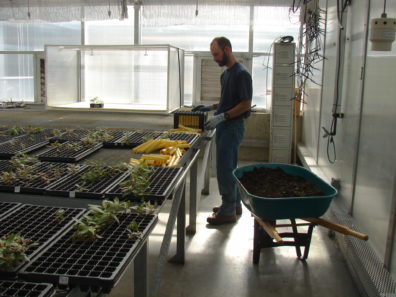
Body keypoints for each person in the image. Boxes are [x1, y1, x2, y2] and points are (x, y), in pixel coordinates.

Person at [193, 36, 252, 225]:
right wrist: (211, 107)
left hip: (233, 127)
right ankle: (234, 204)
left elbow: (245, 104)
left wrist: (223, 117)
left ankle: (227, 212)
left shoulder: (241, 74)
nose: (215, 58)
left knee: (225, 169)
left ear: (227, 49)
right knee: (229, 168)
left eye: (216, 54)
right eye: (212, 55)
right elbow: (229, 102)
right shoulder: (226, 74)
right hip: (225, 125)